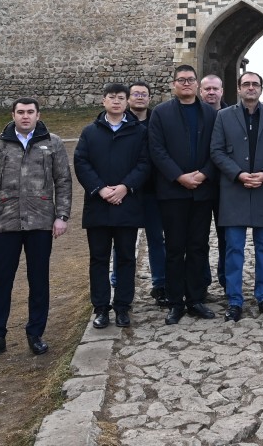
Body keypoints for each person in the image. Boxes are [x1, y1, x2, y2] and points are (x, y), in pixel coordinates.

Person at [0, 98, 73, 360]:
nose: (25, 116)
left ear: (38, 115)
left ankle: (35, 334)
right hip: (5, 221)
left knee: (38, 279)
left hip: (41, 221)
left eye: (30, 112)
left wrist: (62, 215)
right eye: (21, 112)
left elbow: (63, 180)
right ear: (13, 115)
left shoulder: (53, 143)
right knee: (1, 279)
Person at [211, 72, 263, 321]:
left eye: (255, 84)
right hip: (234, 190)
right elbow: (217, 151)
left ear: (261, 89)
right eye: (246, 84)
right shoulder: (224, 116)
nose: (251, 88)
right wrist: (238, 174)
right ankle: (234, 300)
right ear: (239, 88)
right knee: (234, 248)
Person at [74, 83, 151, 329]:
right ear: (103, 101)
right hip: (98, 205)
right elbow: (81, 162)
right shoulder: (90, 132)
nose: (116, 101)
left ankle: (122, 306)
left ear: (127, 102)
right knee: (99, 258)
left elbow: (144, 163)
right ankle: (100, 308)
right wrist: (101, 189)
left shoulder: (139, 132)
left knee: (126, 257)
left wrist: (125, 187)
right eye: (111, 97)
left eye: (120, 98)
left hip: (126, 204)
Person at [148, 65, 218, 325]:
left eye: (190, 80)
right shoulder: (160, 113)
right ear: (174, 84)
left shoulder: (211, 114)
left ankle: (196, 298)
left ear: (197, 84)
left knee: (198, 246)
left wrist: (204, 174)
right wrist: (179, 176)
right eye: (181, 80)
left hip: (202, 191)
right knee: (175, 247)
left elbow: (218, 149)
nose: (186, 83)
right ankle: (176, 301)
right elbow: (157, 149)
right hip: (172, 192)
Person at [127, 81, 167, 306]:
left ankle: (160, 284)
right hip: (127, 191)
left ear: (149, 98)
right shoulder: (120, 121)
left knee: (156, 239)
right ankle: (120, 284)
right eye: (135, 94)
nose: (140, 97)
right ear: (128, 98)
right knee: (124, 241)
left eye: (144, 94)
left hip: (153, 189)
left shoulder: (157, 121)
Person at [199, 74, 229, 292]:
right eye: (207, 89)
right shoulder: (194, 115)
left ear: (222, 91)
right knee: (199, 239)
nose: (211, 92)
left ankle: (227, 281)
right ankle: (201, 283)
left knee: (226, 238)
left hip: (227, 186)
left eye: (215, 89)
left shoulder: (232, 116)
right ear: (201, 92)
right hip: (199, 184)